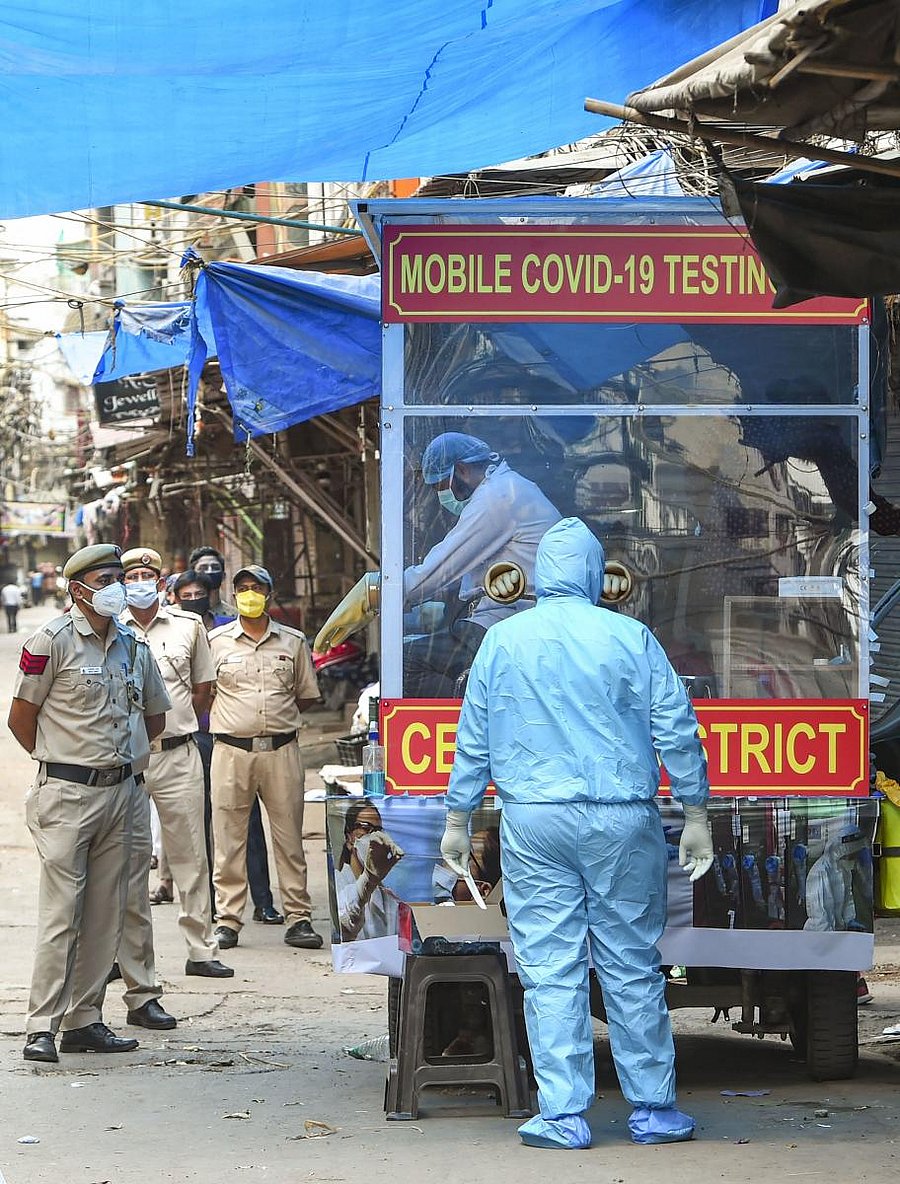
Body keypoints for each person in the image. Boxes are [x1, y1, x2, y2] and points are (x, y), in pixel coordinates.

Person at [441, 517, 713, 1150]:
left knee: (550, 968)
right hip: (621, 817)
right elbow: (677, 729)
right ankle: (651, 1109)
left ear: (539, 575)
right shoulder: (632, 636)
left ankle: (563, 1115)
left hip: (534, 819)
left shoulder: (502, 642)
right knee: (632, 965)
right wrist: (696, 814)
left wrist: (458, 819)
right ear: (595, 574)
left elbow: (473, 740)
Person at [7, 544, 171, 1063]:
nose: (116, 588)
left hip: (122, 792)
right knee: (62, 913)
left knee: (107, 914)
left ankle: (85, 1020)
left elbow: (155, 716)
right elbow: (21, 717)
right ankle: (41, 1027)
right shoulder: (49, 640)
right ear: (78, 589)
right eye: (106, 579)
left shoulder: (133, 645)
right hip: (67, 796)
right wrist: (60, 760)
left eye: (118, 578)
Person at [315, 432, 562, 696]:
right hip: (514, 615)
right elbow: (465, 574)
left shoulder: (496, 498)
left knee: (405, 663)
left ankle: (475, 715)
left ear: (462, 470)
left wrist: (379, 592)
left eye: (441, 486)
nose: (440, 495)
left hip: (509, 622)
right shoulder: (508, 487)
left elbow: (442, 567)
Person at [120, 548, 234, 986]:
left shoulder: (187, 626)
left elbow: (203, 688)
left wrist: (177, 726)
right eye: (132, 575)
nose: (140, 581)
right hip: (126, 760)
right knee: (124, 863)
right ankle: (123, 957)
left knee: (191, 855)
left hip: (179, 753)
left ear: (161, 580)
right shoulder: (108, 629)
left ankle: (201, 949)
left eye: (148, 573)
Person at [208, 564, 323, 949]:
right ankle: (228, 920)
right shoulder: (216, 642)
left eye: (256, 587)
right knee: (229, 840)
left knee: (289, 838)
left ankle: (298, 918)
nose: (249, 594)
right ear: (233, 595)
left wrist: (275, 720)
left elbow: (306, 694)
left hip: (281, 751)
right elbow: (204, 693)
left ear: (270, 594)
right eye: (242, 588)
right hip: (230, 753)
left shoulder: (292, 642)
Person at [174, 567, 284, 926]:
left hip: (228, 738)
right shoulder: (173, 631)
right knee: (207, 823)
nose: (193, 600)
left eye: (198, 593)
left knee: (248, 823)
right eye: (185, 595)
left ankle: (263, 900)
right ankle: (214, 905)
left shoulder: (223, 628)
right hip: (194, 738)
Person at [336, 800, 404, 941]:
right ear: (349, 838)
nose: (373, 837)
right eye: (366, 829)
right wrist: (369, 879)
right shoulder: (337, 881)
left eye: (378, 831)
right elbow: (346, 922)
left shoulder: (388, 898)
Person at [189, 545, 236, 623]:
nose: (209, 571)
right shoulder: (179, 614)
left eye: (215, 568)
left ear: (223, 576)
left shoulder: (234, 616)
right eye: (203, 568)